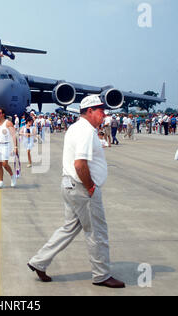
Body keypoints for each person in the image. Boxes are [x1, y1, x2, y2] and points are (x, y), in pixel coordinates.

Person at [28, 95, 125, 289]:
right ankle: (101, 275)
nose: (104, 114)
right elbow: (80, 164)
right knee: (97, 232)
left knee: (69, 228)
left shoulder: (75, 127)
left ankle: (39, 261)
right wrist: (90, 187)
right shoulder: (86, 131)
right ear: (90, 111)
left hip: (69, 185)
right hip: (81, 188)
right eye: (100, 110)